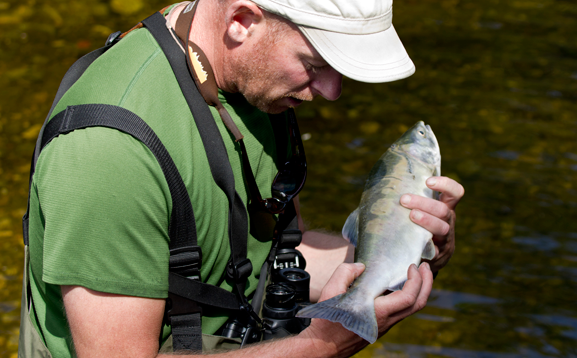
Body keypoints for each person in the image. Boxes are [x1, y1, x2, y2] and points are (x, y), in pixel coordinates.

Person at [18, 0, 465, 357]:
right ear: (241, 20)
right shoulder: (108, 154)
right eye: (315, 65)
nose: (332, 92)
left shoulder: (250, 80)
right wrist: (323, 345)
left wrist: (407, 248)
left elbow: (275, 252)